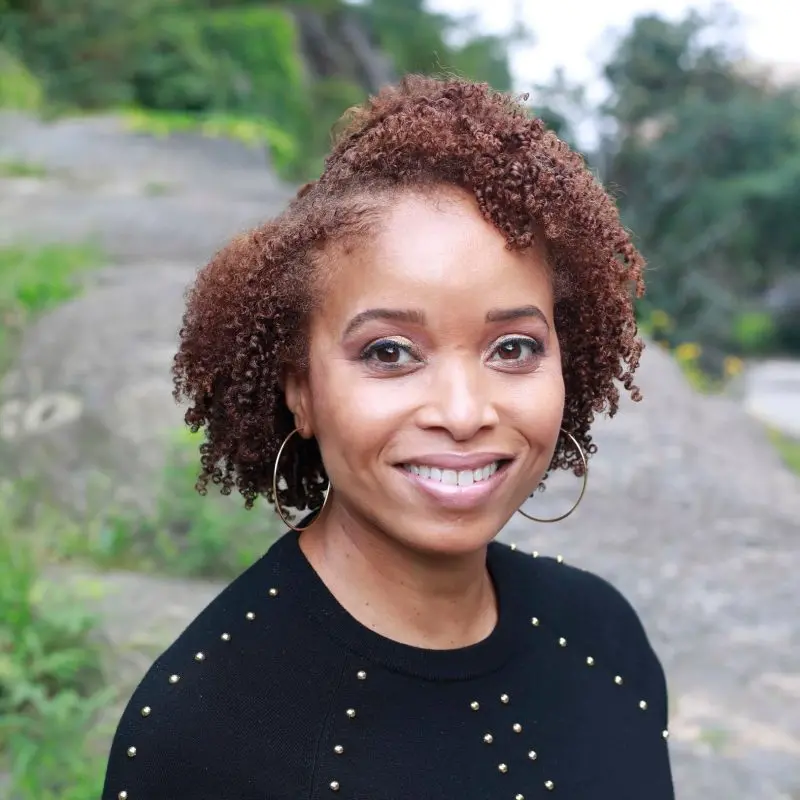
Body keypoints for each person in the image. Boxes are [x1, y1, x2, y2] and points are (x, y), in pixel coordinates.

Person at [102, 75, 674, 799]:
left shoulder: (605, 637)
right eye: (389, 353)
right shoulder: (197, 730)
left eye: (514, 348)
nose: (464, 412)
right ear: (300, 390)